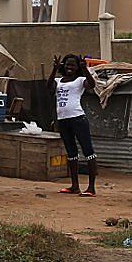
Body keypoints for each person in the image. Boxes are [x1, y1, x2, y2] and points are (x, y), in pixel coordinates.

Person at [48, 54, 98, 196]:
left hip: (78, 119)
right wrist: (54, 69)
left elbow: (92, 85)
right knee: (71, 154)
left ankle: (91, 188)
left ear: (77, 68)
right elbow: (48, 88)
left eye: (73, 65)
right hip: (63, 120)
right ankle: (75, 186)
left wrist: (85, 68)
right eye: (67, 65)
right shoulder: (58, 81)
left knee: (88, 151)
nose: (70, 67)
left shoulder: (80, 80)